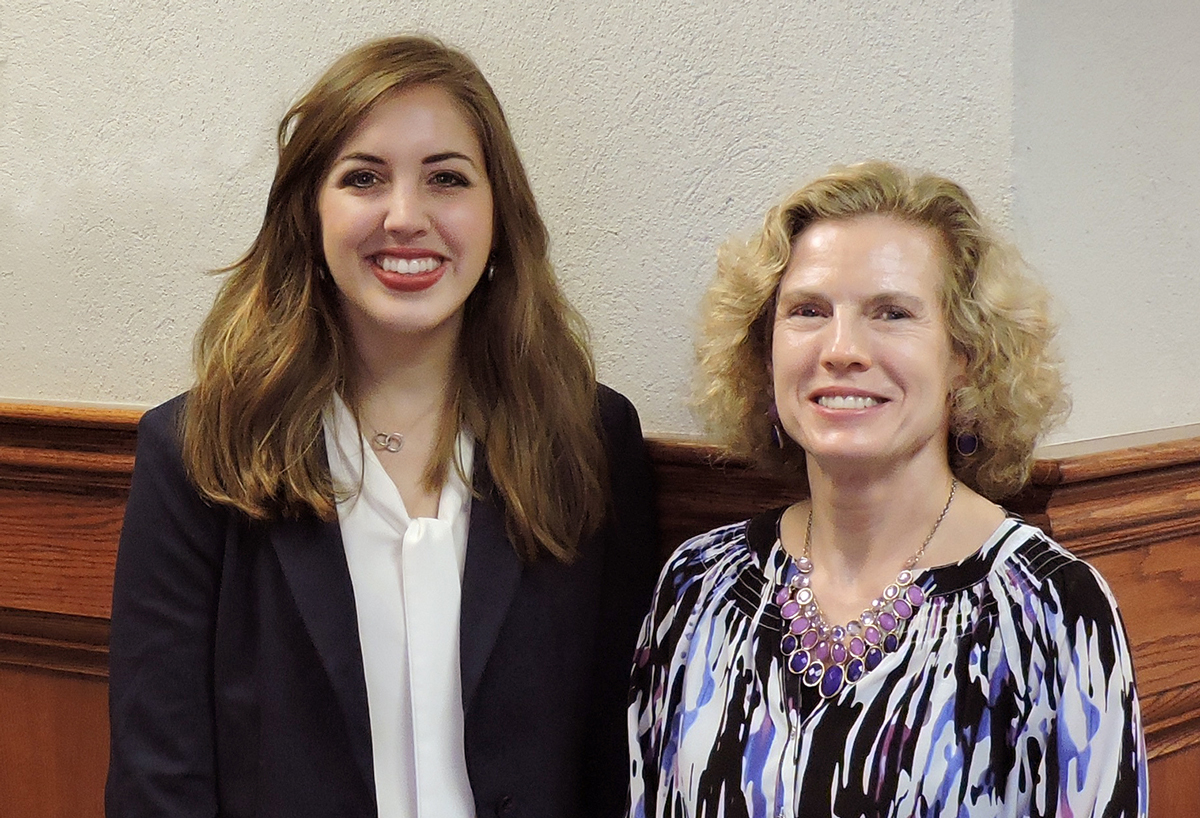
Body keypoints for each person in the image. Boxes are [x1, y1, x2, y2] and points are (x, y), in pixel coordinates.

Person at [106, 35, 658, 818]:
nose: (406, 217)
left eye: (447, 179)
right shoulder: (198, 451)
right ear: (310, 212)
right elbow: (157, 777)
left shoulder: (592, 437)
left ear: (498, 212)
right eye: (363, 178)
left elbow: (616, 751)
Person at [628, 161, 1147, 817]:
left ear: (965, 357)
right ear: (765, 351)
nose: (842, 348)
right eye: (808, 311)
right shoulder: (699, 584)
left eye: (892, 312)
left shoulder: (1055, 611)